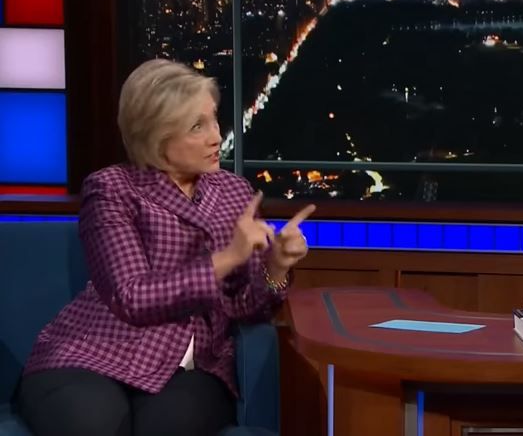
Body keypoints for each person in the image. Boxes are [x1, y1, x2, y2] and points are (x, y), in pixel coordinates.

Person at [17, 59, 315, 436]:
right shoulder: (112, 190)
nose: (215, 136)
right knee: (94, 426)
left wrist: (276, 266)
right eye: (197, 127)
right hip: (95, 353)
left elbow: (246, 308)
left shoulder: (234, 192)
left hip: (193, 368)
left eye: (213, 118)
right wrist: (227, 258)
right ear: (156, 139)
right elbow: (131, 297)